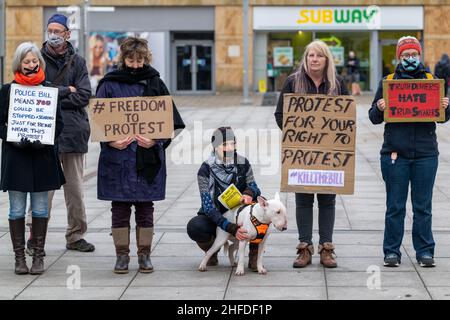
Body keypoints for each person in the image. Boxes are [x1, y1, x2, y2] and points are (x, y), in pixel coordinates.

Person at [96, 37, 185, 274]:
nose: (136, 65)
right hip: (118, 160)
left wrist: (156, 140)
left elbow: (171, 122)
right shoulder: (109, 84)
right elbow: (98, 123)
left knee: (146, 208)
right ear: (123, 59)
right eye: (131, 60)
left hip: (147, 159)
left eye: (140, 60)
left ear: (147, 59)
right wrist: (111, 141)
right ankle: (122, 255)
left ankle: (145, 254)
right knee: (120, 208)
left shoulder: (156, 83)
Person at [369, 36, 450, 268]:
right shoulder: (389, 82)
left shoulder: (431, 80)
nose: (410, 58)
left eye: (414, 54)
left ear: (420, 56)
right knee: (395, 206)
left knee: (423, 207)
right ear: (399, 57)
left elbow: (442, 119)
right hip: (395, 154)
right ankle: (391, 252)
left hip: (425, 154)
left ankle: (425, 251)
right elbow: (373, 118)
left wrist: (446, 106)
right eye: (406, 55)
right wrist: (379, 107)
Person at [274, 40, 349, 268]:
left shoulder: (337, 83)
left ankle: (326, 248)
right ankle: (304, 247)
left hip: (329, 154)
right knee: (303, 200)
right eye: (310, 55)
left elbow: (347, 117)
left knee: (328, 200)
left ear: (327, 59)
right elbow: (280, 114)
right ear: (305, 59)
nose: (314, 59)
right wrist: (297, 135)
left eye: (319, 55)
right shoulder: (292, 81)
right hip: (301, 153)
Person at [0, 42, 65, 274]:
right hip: (16, 157)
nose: (30, 65)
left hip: (42, 157)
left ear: (40, 62)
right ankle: (19, 259)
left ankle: (38, 257)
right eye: (26, 61)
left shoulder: (49, 90)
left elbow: (59, 124)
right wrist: (12, 137)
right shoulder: (8, 91)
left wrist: (45, 138)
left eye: (34, 61)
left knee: (40, 209)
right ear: (19, 63)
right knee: (16, 210)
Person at [38, 13, 95, 253]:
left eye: (57, 31)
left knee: (75, 190)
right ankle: (36, 238)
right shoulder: (36, 59)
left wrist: (52, 95)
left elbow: (84, 95)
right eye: (49, 30)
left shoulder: (78, 62)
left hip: (73, 134)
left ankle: (75, 235)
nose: (52, 35)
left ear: (67, 34)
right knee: (42, 191)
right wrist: (65, 91)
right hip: (44, 134)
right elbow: (35, 95)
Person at [187, 127, 262, 271]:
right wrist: (231, 228)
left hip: (240, 213)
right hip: (215, 214)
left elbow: (255, 187)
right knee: (195, 227)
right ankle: (213, 250)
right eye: (224, 145)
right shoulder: (205, 170)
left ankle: (254, 253)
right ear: (215, 147)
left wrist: (248, 193)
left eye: (232, 144)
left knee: (261, 208)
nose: (229, 148)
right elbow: (208, 206)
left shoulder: (243, 163)